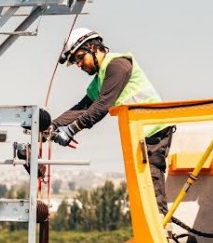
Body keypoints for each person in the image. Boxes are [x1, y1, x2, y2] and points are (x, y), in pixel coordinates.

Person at [49, 28, 176, 215]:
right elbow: (82, 107)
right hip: (140, 135)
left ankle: (161, 227)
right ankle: (157, 225)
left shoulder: (118, 65)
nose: (78, 64)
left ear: (93, 47)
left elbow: (101, 106)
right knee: (142, 188)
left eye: (80, 58)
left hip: (154, 131)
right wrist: (52, 125)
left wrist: (70, 130)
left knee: (151, 184)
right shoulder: (101, 78)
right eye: (75, 61)